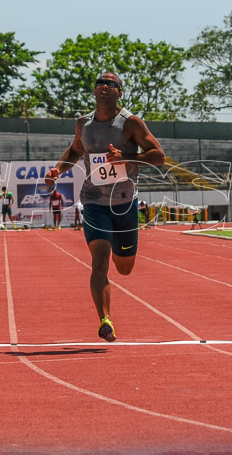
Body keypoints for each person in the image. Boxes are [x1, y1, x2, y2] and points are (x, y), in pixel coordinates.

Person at [44, 72, 165, 342]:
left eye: (111, 84)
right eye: (99, 83)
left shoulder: (130, 123)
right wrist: (58, 169)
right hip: (94, 202)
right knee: (99, 260)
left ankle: (117, 248)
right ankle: (105, 320)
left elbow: (159, 157)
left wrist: (127, 157)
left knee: (123, 268)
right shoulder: (83, 124)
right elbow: (76, 150)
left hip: (124, 204)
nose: (104, 87)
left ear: (119, 93)